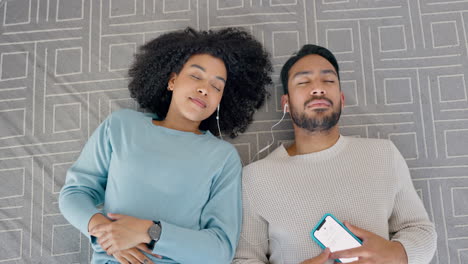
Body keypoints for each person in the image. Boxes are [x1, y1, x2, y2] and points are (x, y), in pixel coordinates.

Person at [59, 27, 272, 264]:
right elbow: (75, 193)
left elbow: (220, 250)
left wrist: (149, 231)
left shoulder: (223, 158)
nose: (205, 88)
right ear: (172, 80)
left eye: (217, 86)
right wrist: (106, 233)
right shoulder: (121, 126)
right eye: (196, 76)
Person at [233, 44, 437, 264]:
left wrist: (398, 254)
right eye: (303, 82)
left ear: (341, 99)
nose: (318, 88)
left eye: (328, 81)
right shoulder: (255, 178)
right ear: (286, 104)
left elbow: (420, 230)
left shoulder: (383, 154)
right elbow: (243, 259)